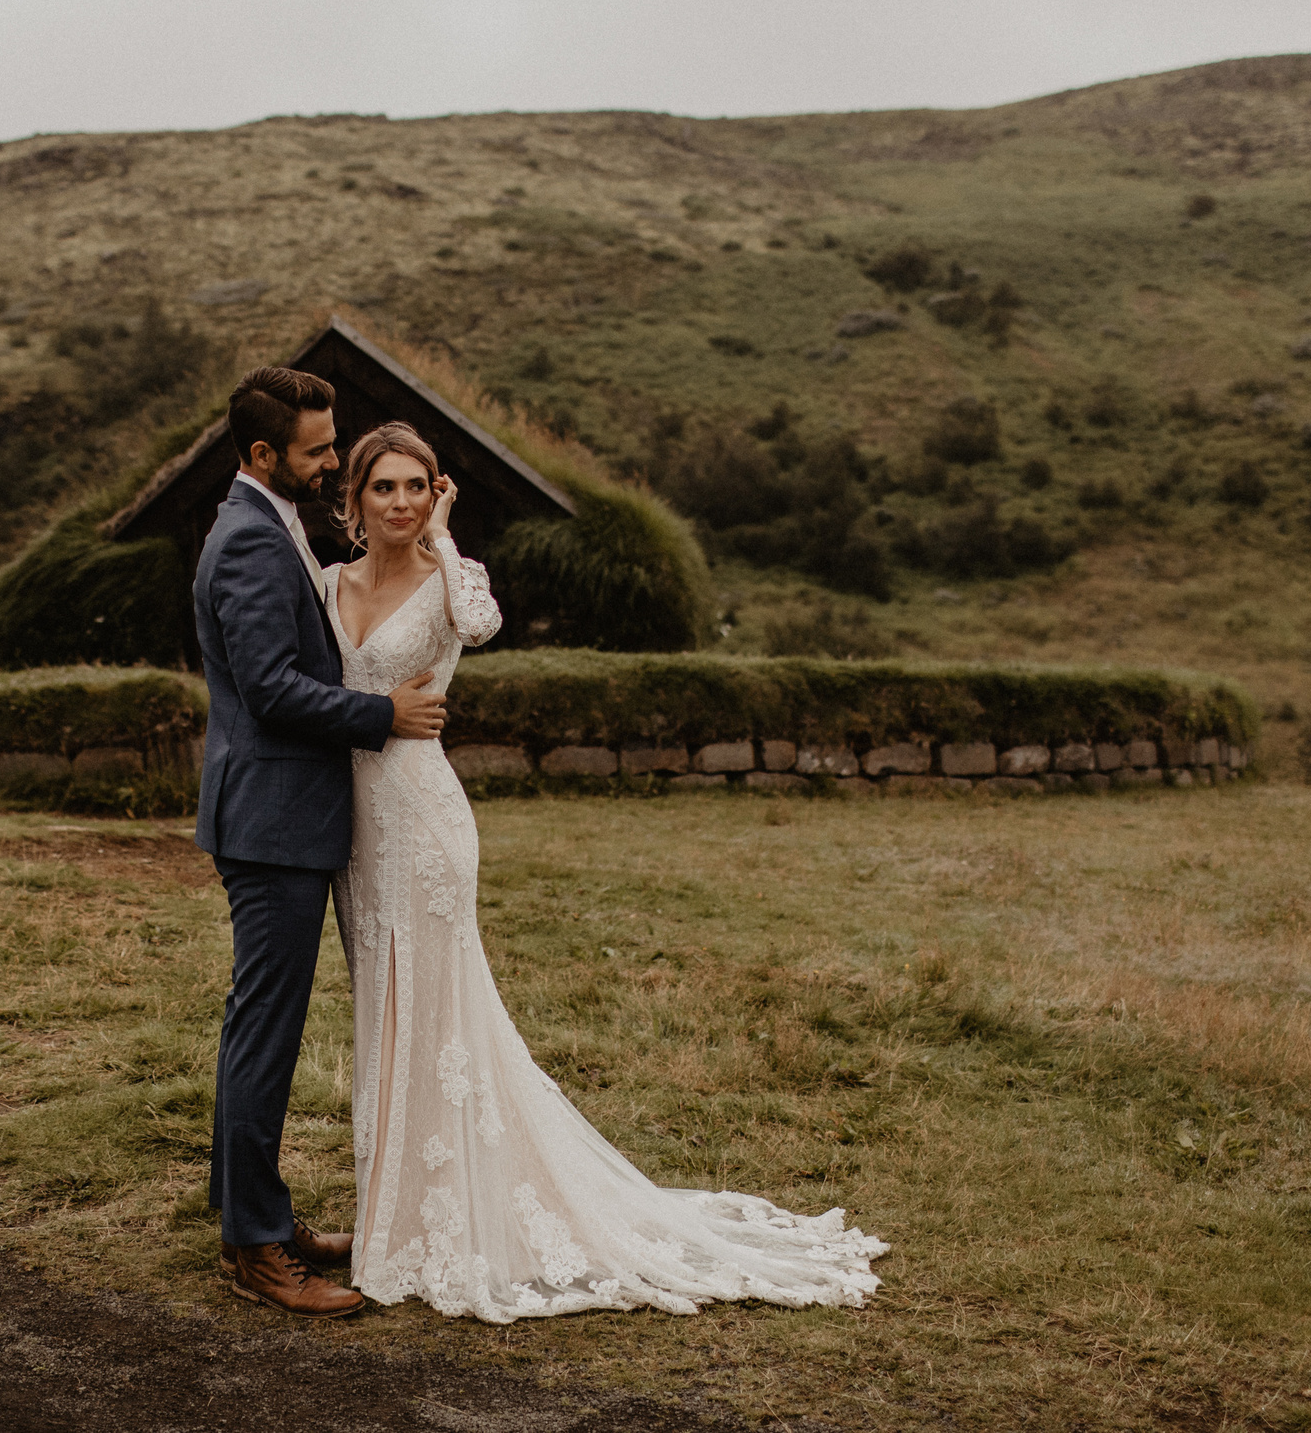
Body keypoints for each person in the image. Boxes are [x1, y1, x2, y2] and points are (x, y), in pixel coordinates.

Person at [325, 421, 890, 1323]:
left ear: (436, 493)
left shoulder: (449, 580)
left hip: (425, 821)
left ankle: (444, 1214)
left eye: (417, 485)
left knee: (437, 1009)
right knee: (383, 1011)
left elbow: (481, 625)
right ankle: (390, 1210)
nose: (399, 501)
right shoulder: (329, 583)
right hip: (355, 831)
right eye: (383, 487)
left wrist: (444, 539)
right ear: (353, 496)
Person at [193, 367, 448, 1319]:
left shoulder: (266, 521)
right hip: (273, 822)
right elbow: (271, 689)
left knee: (255, 1025)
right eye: (317, 449)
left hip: (277, 815)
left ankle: (254, 1212)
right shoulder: (253, 543)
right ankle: (257, 1247)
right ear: (264, 455)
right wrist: (382, 711)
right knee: (265, 1032)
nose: (334, 458)